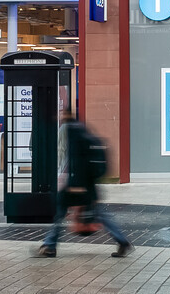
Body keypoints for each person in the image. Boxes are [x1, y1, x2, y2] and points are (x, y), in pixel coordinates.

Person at [38, 100, 129, 258]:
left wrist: (75, 184)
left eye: (60, 113)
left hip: (78, 184)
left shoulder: (71, 130)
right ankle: (122, 241)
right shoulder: (81, 128)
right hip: (87, 184)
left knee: (60, 213)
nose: (58, 116)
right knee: (99, 213)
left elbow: (76, 159)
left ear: (66, 114)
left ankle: (50, 246)